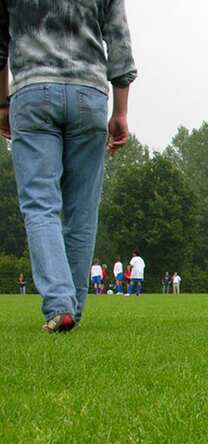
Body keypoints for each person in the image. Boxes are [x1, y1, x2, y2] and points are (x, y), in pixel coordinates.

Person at [0, 0, 136, 332]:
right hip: (89, 93)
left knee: (41, 203)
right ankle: (70, 309)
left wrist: (3, 104)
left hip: (32, 92)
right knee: (82, 209)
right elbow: (119, 42)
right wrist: (120, 112)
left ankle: (60, 306)